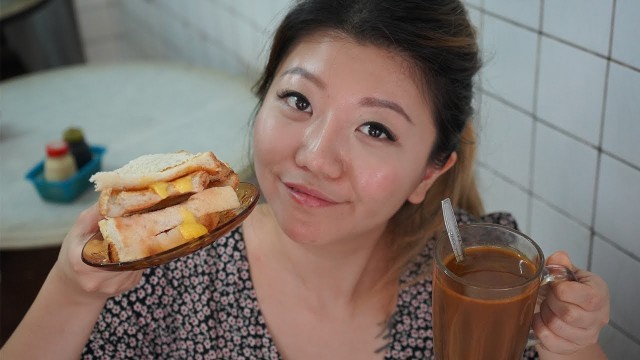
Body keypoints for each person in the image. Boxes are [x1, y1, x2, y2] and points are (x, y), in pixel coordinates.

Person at [1, 0, 610, 359]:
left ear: (430, 173)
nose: (315, 157)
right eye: (297, 100)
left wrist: (575, 343)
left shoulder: (484, 274)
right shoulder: (165, 270)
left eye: (376, 130)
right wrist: (71, 289)